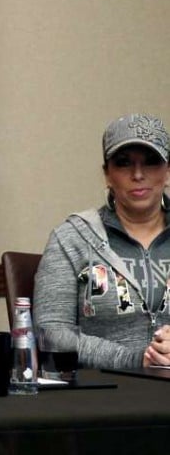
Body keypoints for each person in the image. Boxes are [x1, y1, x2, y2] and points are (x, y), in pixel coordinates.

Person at [35, 113, 170, 369]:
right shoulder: (71, 238)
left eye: (151, 162)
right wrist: (136, 360)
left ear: (168, 170)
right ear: (107, 175)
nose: (138, 174)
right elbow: (50, 334)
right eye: (123, 163)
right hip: (103, 396)